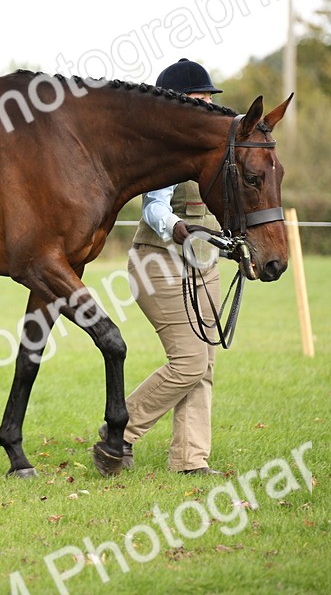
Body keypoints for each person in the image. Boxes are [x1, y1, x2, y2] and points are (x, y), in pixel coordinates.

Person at [121, 58, 226, 476]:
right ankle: (119, 431)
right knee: (189, 362)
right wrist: (178, 227)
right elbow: (153, 207)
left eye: (209, 98)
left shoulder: (214, 147)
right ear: (175, 102)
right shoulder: (164, 150)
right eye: (199, 98)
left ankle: (189, 460)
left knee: (204, 364)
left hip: (204, 264)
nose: (207, 104)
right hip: (159, 262)